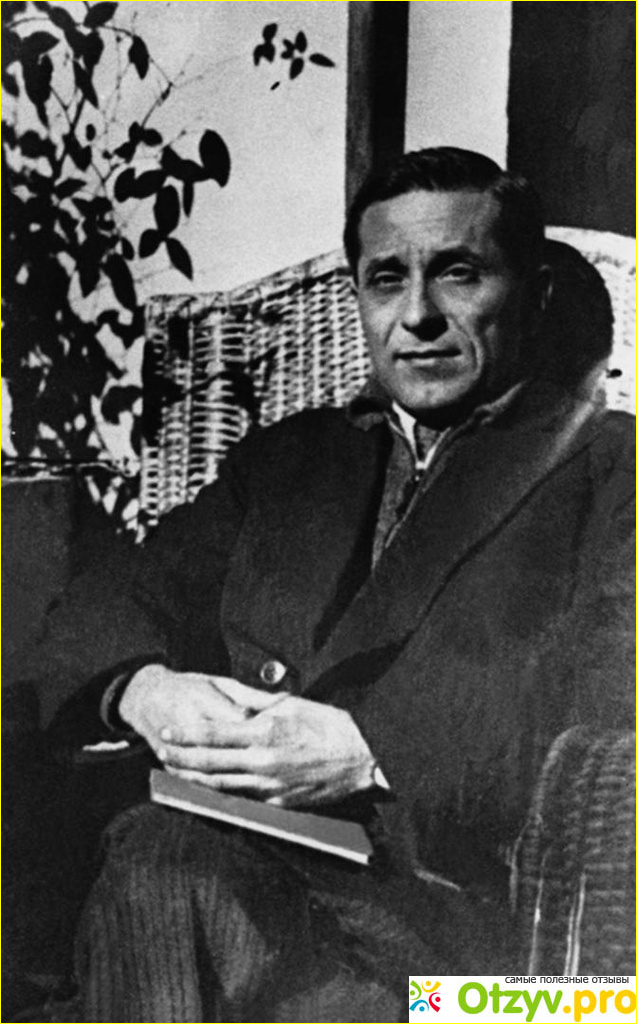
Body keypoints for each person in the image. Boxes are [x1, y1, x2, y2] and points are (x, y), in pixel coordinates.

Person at [32, 148, 635, 1021]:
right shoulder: (289, 460)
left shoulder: (608, 470)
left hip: (454, 935)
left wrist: (371, 749)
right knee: (164, 863)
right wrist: (142, 690)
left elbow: (608, 699)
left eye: (457, 273)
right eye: (386, 279)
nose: (416, 315)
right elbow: (109, 598)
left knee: (164, 873)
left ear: (533, 294)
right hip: (232, 864)